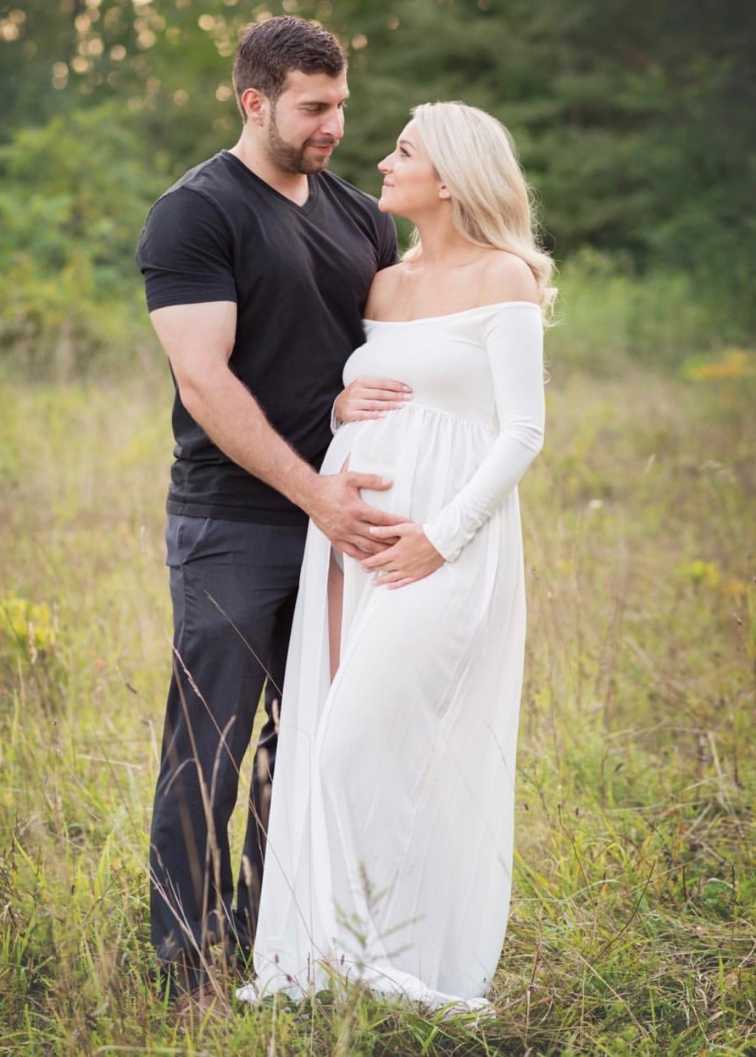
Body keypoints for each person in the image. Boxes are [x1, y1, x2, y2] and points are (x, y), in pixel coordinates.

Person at [237, 100, 555, 1017]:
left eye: (403, 151)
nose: (381, 163)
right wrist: (338, 410)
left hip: (441, 546)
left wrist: (440, 536)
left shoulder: (506, 280)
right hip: (352, 541)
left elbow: (523, 433)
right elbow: (366, 391)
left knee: (353, 746)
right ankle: (337, 956)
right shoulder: (383, 283)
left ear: (451, 176)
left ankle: (393, 960)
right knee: (339, 734)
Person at [135, 16, 407, 994]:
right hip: (234, 522)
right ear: (255, 102)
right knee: (210, 738)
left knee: (311, 739)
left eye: (341, 103)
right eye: (314, 107)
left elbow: (381, 358)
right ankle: (182, 961)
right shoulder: (196, 213)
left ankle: (271, 942)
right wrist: (314, 495)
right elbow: (205, 381)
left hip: (339, 520)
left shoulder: (358, 218)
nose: (336, 123)